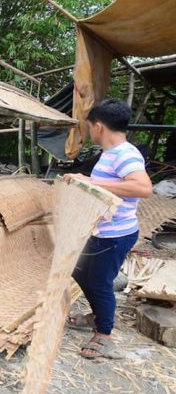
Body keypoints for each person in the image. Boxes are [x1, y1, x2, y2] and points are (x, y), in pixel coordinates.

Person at [64, 99, 152, 359]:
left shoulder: (126, 154)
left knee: (100, 283)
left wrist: (91, 182)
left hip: (115, 235)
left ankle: (104, 335)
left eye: (90, 126)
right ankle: (98, 315)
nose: (89, 131)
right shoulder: (110, 153)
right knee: (79, 271)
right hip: (100, 231)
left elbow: (143, 188)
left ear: (99, 126)